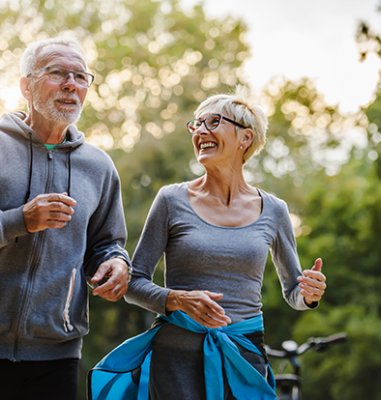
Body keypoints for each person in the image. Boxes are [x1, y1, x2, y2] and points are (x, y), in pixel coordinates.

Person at [89, 91, 326, 400]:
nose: (201, 131)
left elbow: (293, 292)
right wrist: (177, 299)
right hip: (175, 360)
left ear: (245, 137)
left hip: (244, 357)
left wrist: (308, 294)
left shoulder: (275, 210)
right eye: (196, 124)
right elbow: (133, 282)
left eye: (213, 122)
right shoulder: (171, 200)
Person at [0, 36, 131, 400]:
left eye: (81, 76)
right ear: (26, 84)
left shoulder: (99, 166)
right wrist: (19, 221)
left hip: (56, 354)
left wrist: (116, 265)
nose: (71, 85)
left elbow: (107, 244)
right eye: (58, 73)